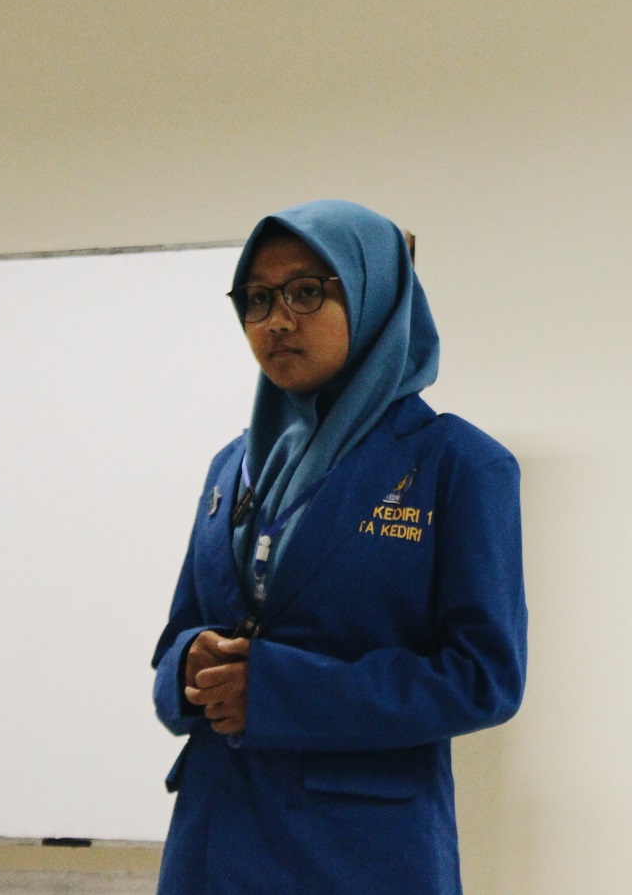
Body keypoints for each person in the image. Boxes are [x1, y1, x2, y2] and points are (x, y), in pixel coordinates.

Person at [150, 200, 526, 895]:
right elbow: (177, 636)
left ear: (373, 294)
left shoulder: (459, 465)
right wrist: (186, 665)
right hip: (214, 842)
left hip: (357, 856)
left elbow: (485, 679)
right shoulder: (230, 466)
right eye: (257, 298)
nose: (276, 319)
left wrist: (279, 689)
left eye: (305, 291)